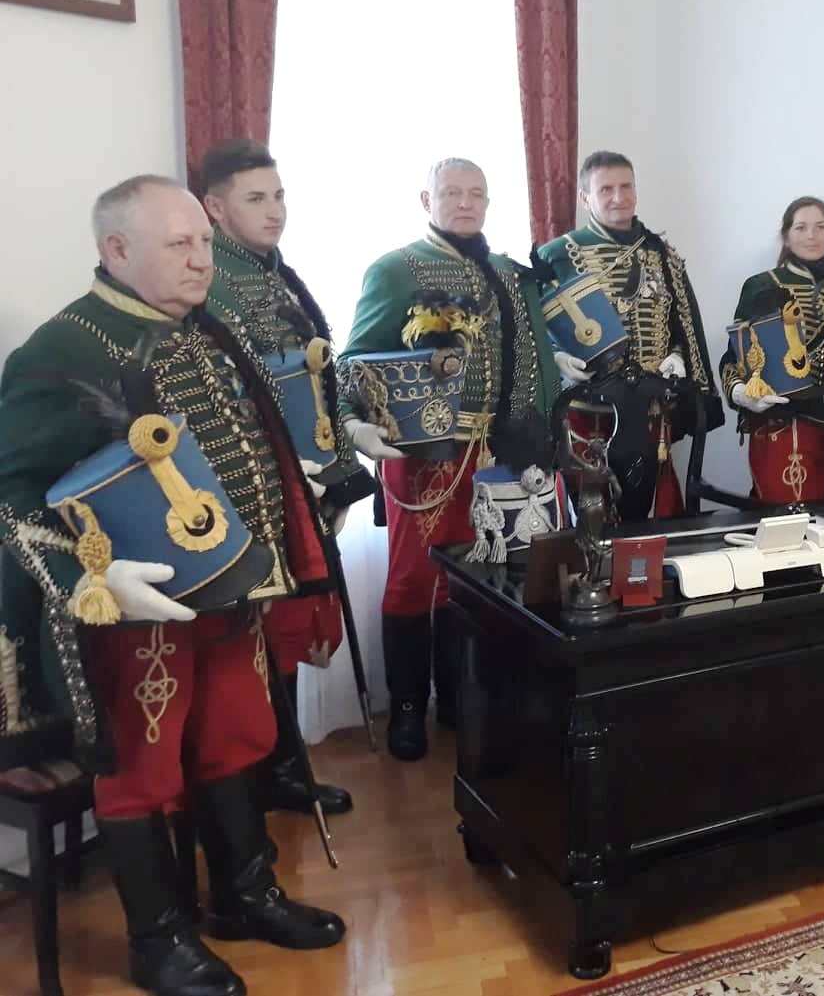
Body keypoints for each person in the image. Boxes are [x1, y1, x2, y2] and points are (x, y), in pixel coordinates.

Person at [0, 176, 345, 996]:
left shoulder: (202, 327)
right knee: (143, 767)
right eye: (179, 244)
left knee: (235, 736)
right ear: (117, 249)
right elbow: (11, 497)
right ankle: (158, 941)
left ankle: (244, 895)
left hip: (230, 589)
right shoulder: (60, 350)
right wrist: (93, 574)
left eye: (203, 242)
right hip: (133, 612)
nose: (201, 260)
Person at [339, 157, 565, 761]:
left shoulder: (509, 273)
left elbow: (539, 360)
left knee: (488, 580)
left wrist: (550, 438)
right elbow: (354, 360)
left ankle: (461, 699)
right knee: (415, 579)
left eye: (476, 194)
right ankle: (407, 709)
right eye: (452, 192)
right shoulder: (395, 269)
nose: (466, 203)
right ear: (427, 199)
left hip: (506, 453)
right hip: (425, 454)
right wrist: (355, 424)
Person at [202, 139, 364, 817]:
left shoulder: (274, 271)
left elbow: (315, 373)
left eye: (279, 196)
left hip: (305, 477)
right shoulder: (211, 280)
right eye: (256, 198)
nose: (275, 211)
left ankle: (283, 767)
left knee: (286, 625)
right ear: (215, 209)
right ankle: (259, 776)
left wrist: (343, 451)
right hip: (253, 485)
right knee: (257, 632)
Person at [535, 151, 724, 520]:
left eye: (626, 187)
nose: (618, 197)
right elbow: (536, 330)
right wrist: (557, 359)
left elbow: (683, 324)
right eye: (606, 189)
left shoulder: (662, 254)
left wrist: (678, 356)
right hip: (586, 413)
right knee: (592, 519)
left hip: (652, 409)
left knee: (654, 517)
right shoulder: (556, 256)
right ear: (585, 197)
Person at [720, 196, 824, 504]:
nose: (811, 235)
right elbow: (734, 358)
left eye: (820, 227)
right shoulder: (761, 286)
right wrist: (741, 393)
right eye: (801, 227)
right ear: (786, 236)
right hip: (781, 424)